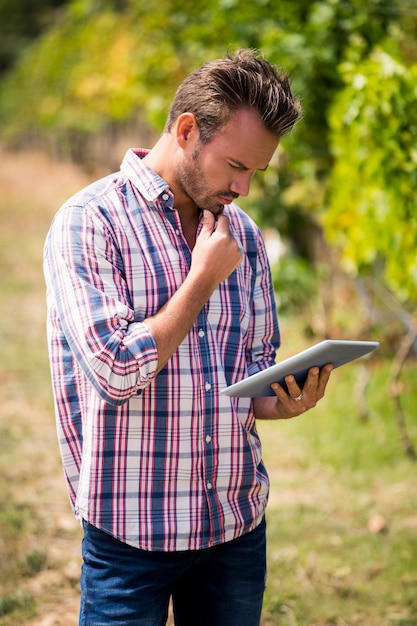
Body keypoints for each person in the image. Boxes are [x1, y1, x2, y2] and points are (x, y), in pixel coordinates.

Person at [44, 48, 332, 626]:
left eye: (257, 172)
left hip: (233, 528)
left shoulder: (243, 235)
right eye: (235, 165)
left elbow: (244, 383)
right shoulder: (89, 221)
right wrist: (201, 279)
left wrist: (283, 400)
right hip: (129, 536)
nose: (245, 187)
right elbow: (117, 371)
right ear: (186, 130)